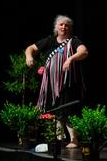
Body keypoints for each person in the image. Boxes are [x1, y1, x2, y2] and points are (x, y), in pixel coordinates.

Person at [25, 15, 89, 147]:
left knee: (69, 110)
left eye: (66, 25)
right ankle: (59, 139)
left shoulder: (74, 41)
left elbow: (84, 52)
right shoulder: (49, 41)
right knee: (56, 111)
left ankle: (73, 140)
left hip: (68, 83)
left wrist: (70, 59)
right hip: (51, 85)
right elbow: (30, 48)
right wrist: (29, 57)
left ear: (70, 28)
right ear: (56, 27)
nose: (63, 27)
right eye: (61, 24)